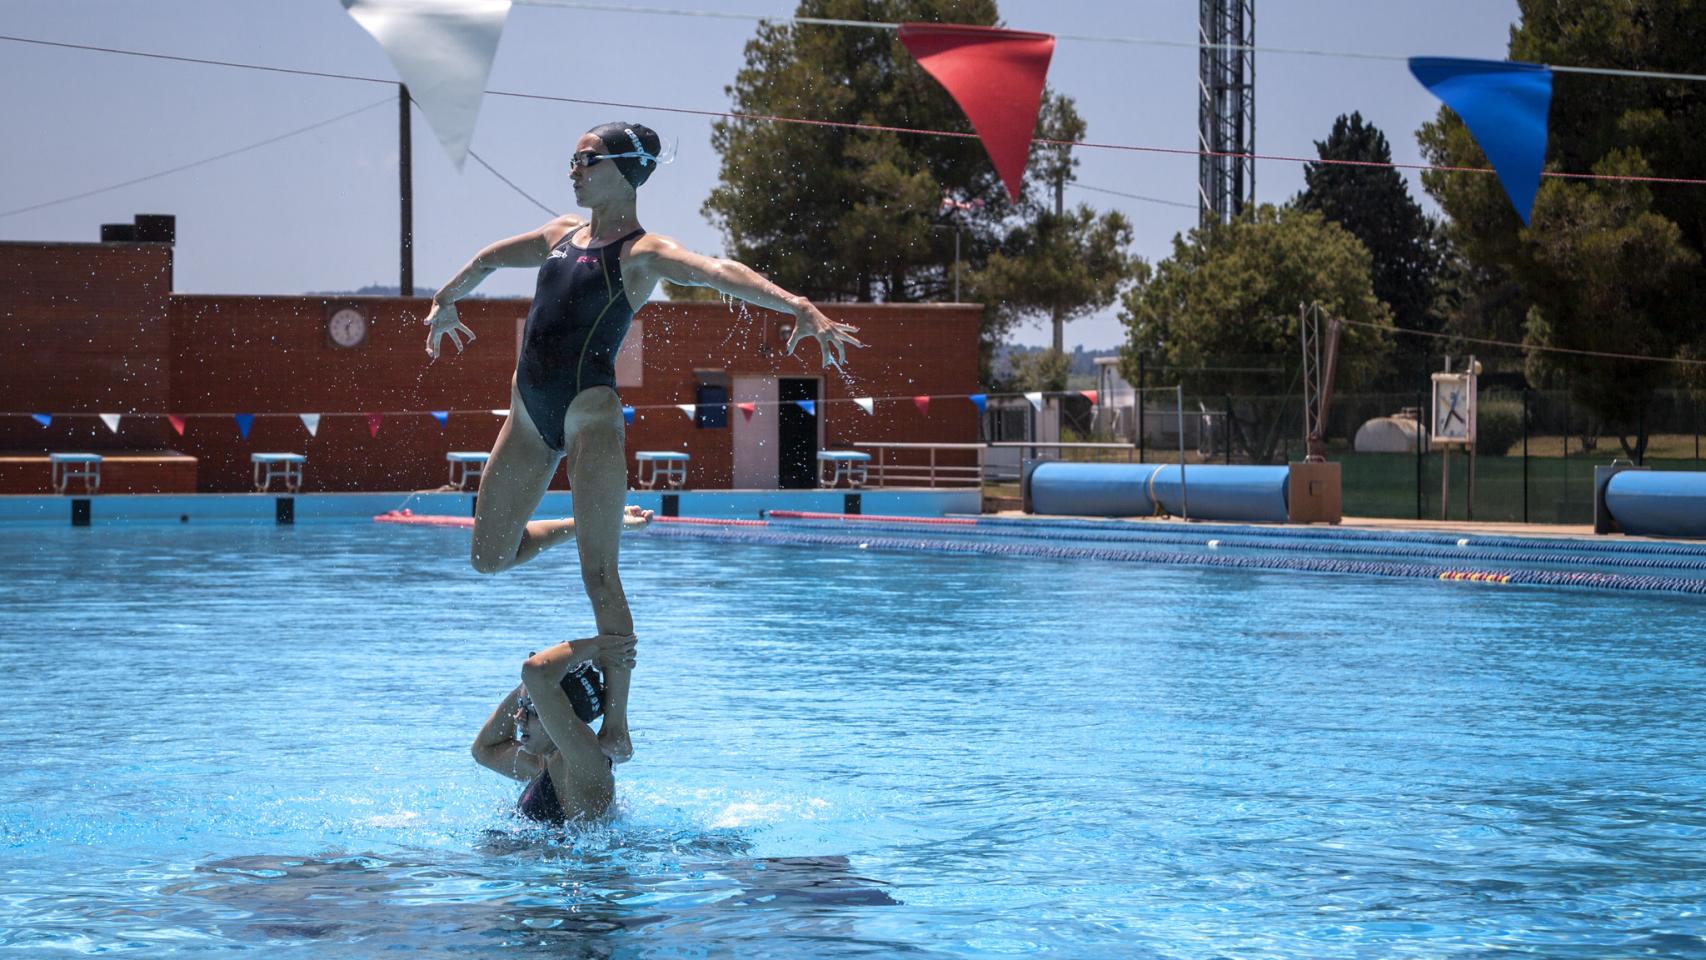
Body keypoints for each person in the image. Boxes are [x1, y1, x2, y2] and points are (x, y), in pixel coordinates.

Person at [423, 121, 863, 765]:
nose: (573, 167)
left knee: (600, 574)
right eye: (572, 157)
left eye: (587, 158)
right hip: (527, 412)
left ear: (626, 168)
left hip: (589, 413)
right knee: (488, 558)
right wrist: (444, 299)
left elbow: (718, 271)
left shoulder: (641, 252)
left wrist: (797, 305)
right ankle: (575, 524)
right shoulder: (554, 237)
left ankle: (618, 727)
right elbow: (489, 259)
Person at [471, 634, 639, 824]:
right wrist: (527, 689)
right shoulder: (543, 761)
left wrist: (598, 646)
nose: (518, 717)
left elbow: (534, 671)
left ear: (564, 713)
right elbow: (484, 750)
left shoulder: (585, 764)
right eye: (520, 705)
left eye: (532, 710)